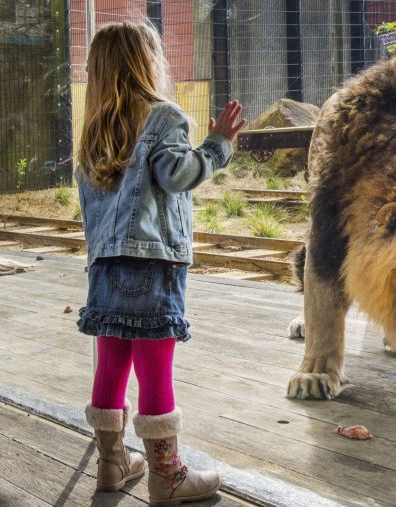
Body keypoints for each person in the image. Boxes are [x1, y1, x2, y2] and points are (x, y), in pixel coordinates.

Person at [76, 21, 245, 505]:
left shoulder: (93, 132)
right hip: (152, 267)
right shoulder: (163, 116)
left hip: (105, 267)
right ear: (145, 64)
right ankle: (166, 477)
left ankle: (111, 465)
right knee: (155, 367)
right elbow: (177, 175)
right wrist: (217, 145)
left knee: (111, 363)